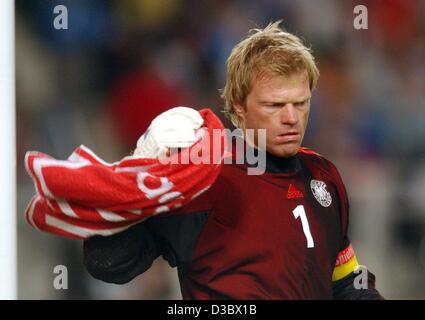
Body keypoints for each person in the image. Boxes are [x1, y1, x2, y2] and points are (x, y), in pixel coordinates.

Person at [83, 21, 383, 299]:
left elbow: (344, 282)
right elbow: (107, 263)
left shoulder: (323, 176)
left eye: (300, 103)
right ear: (239, 108)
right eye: (274, 104)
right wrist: (138, 173)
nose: (291, 118)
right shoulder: (203, 178)